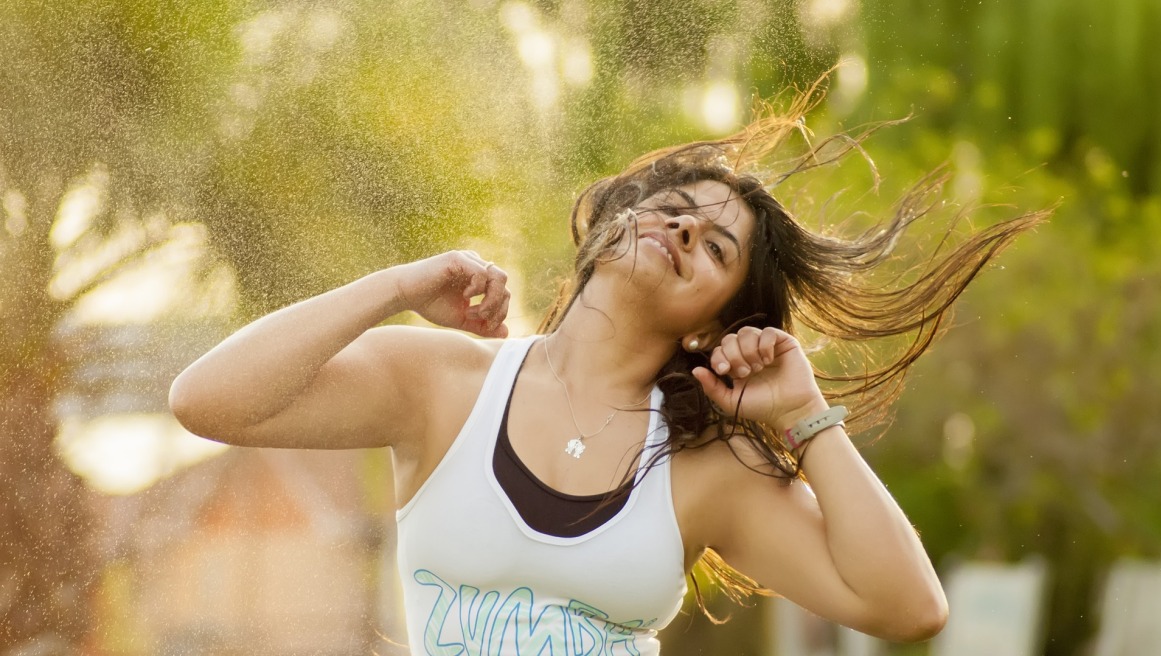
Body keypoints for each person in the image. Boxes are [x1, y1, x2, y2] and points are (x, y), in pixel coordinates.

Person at [169, 89, 1044, 655]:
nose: (682, 233)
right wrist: (398, 287)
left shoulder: (707, 472)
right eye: (672, 211)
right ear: (615, 221)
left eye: (713, 247)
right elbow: (206, 401)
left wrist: (805, 413)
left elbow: (909, 608)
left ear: (716, 323)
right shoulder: (442, 383)